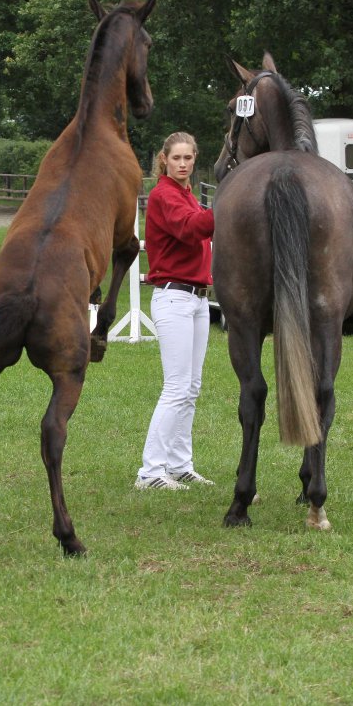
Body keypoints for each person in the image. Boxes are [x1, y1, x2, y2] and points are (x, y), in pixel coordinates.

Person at [135, 132, 216, 491]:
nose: (183, 163)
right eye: (177, 158)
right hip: (174, 298)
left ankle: (180, 465)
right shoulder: (163, 195)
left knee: (191, 387)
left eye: (188, 158)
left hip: (196, 300)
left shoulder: (186, 195)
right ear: (164, 160)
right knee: (177, 387)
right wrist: (227, 204)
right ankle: (150, 472)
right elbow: (189, 229)